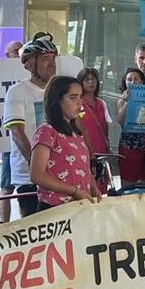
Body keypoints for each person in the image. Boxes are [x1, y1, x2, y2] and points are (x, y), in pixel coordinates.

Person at [3, 32, 58, 217]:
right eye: (45, 59)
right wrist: (35, 164)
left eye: (53, 59)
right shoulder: (17, 92)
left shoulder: (59, 89)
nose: (51, 64)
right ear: (29, 64)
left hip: (59, 172)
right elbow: (17, 133)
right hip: (29, 176)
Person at [30, 76, 100, 210]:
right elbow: (37, 175)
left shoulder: (76, 132)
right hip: (54, 209)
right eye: (73, 98)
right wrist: (74, 191)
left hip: (77, 207)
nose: (80, 103)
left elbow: (82, 166)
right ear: (57, 100)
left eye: (80, 97)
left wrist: (92, 186)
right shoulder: (47, 131)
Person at [116, 68, 145, 186]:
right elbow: (121, 123)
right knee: (128, 184)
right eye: (129, 79)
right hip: (129, 146)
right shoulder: (121, 100)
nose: (133, 82)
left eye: (136, 79)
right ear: (125, 82)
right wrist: (128, 101)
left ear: (142, 81)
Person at [0, 40, 23, 222]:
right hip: (9, 141)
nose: (19, 53)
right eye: (16, 51)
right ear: (7, 55)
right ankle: (4, 224)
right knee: (7, 186)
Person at [78, 67, 113, 155]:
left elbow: (106, 126)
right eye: (87, 80)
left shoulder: (101, 103)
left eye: (93, 79)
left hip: (101, 150)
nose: (91, 82)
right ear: (81, 83)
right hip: (83, 150)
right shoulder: (77, 103)